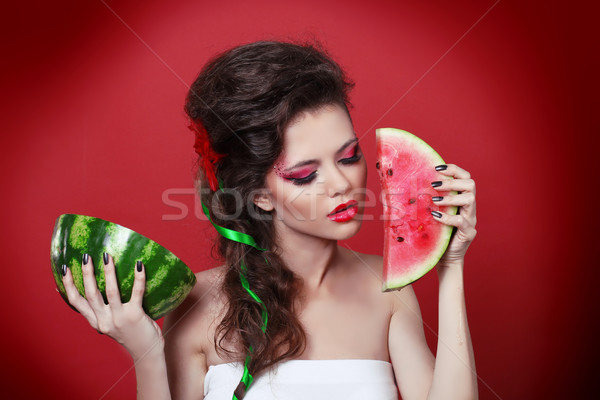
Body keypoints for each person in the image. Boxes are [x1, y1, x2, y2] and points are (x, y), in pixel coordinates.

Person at [60, 39, 478, 400]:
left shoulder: (388, 289)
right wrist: (147, 355)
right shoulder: (194, 305)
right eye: (304, 174)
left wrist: (451, 266)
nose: (342, 183)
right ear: (259, 196)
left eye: (349, 156)